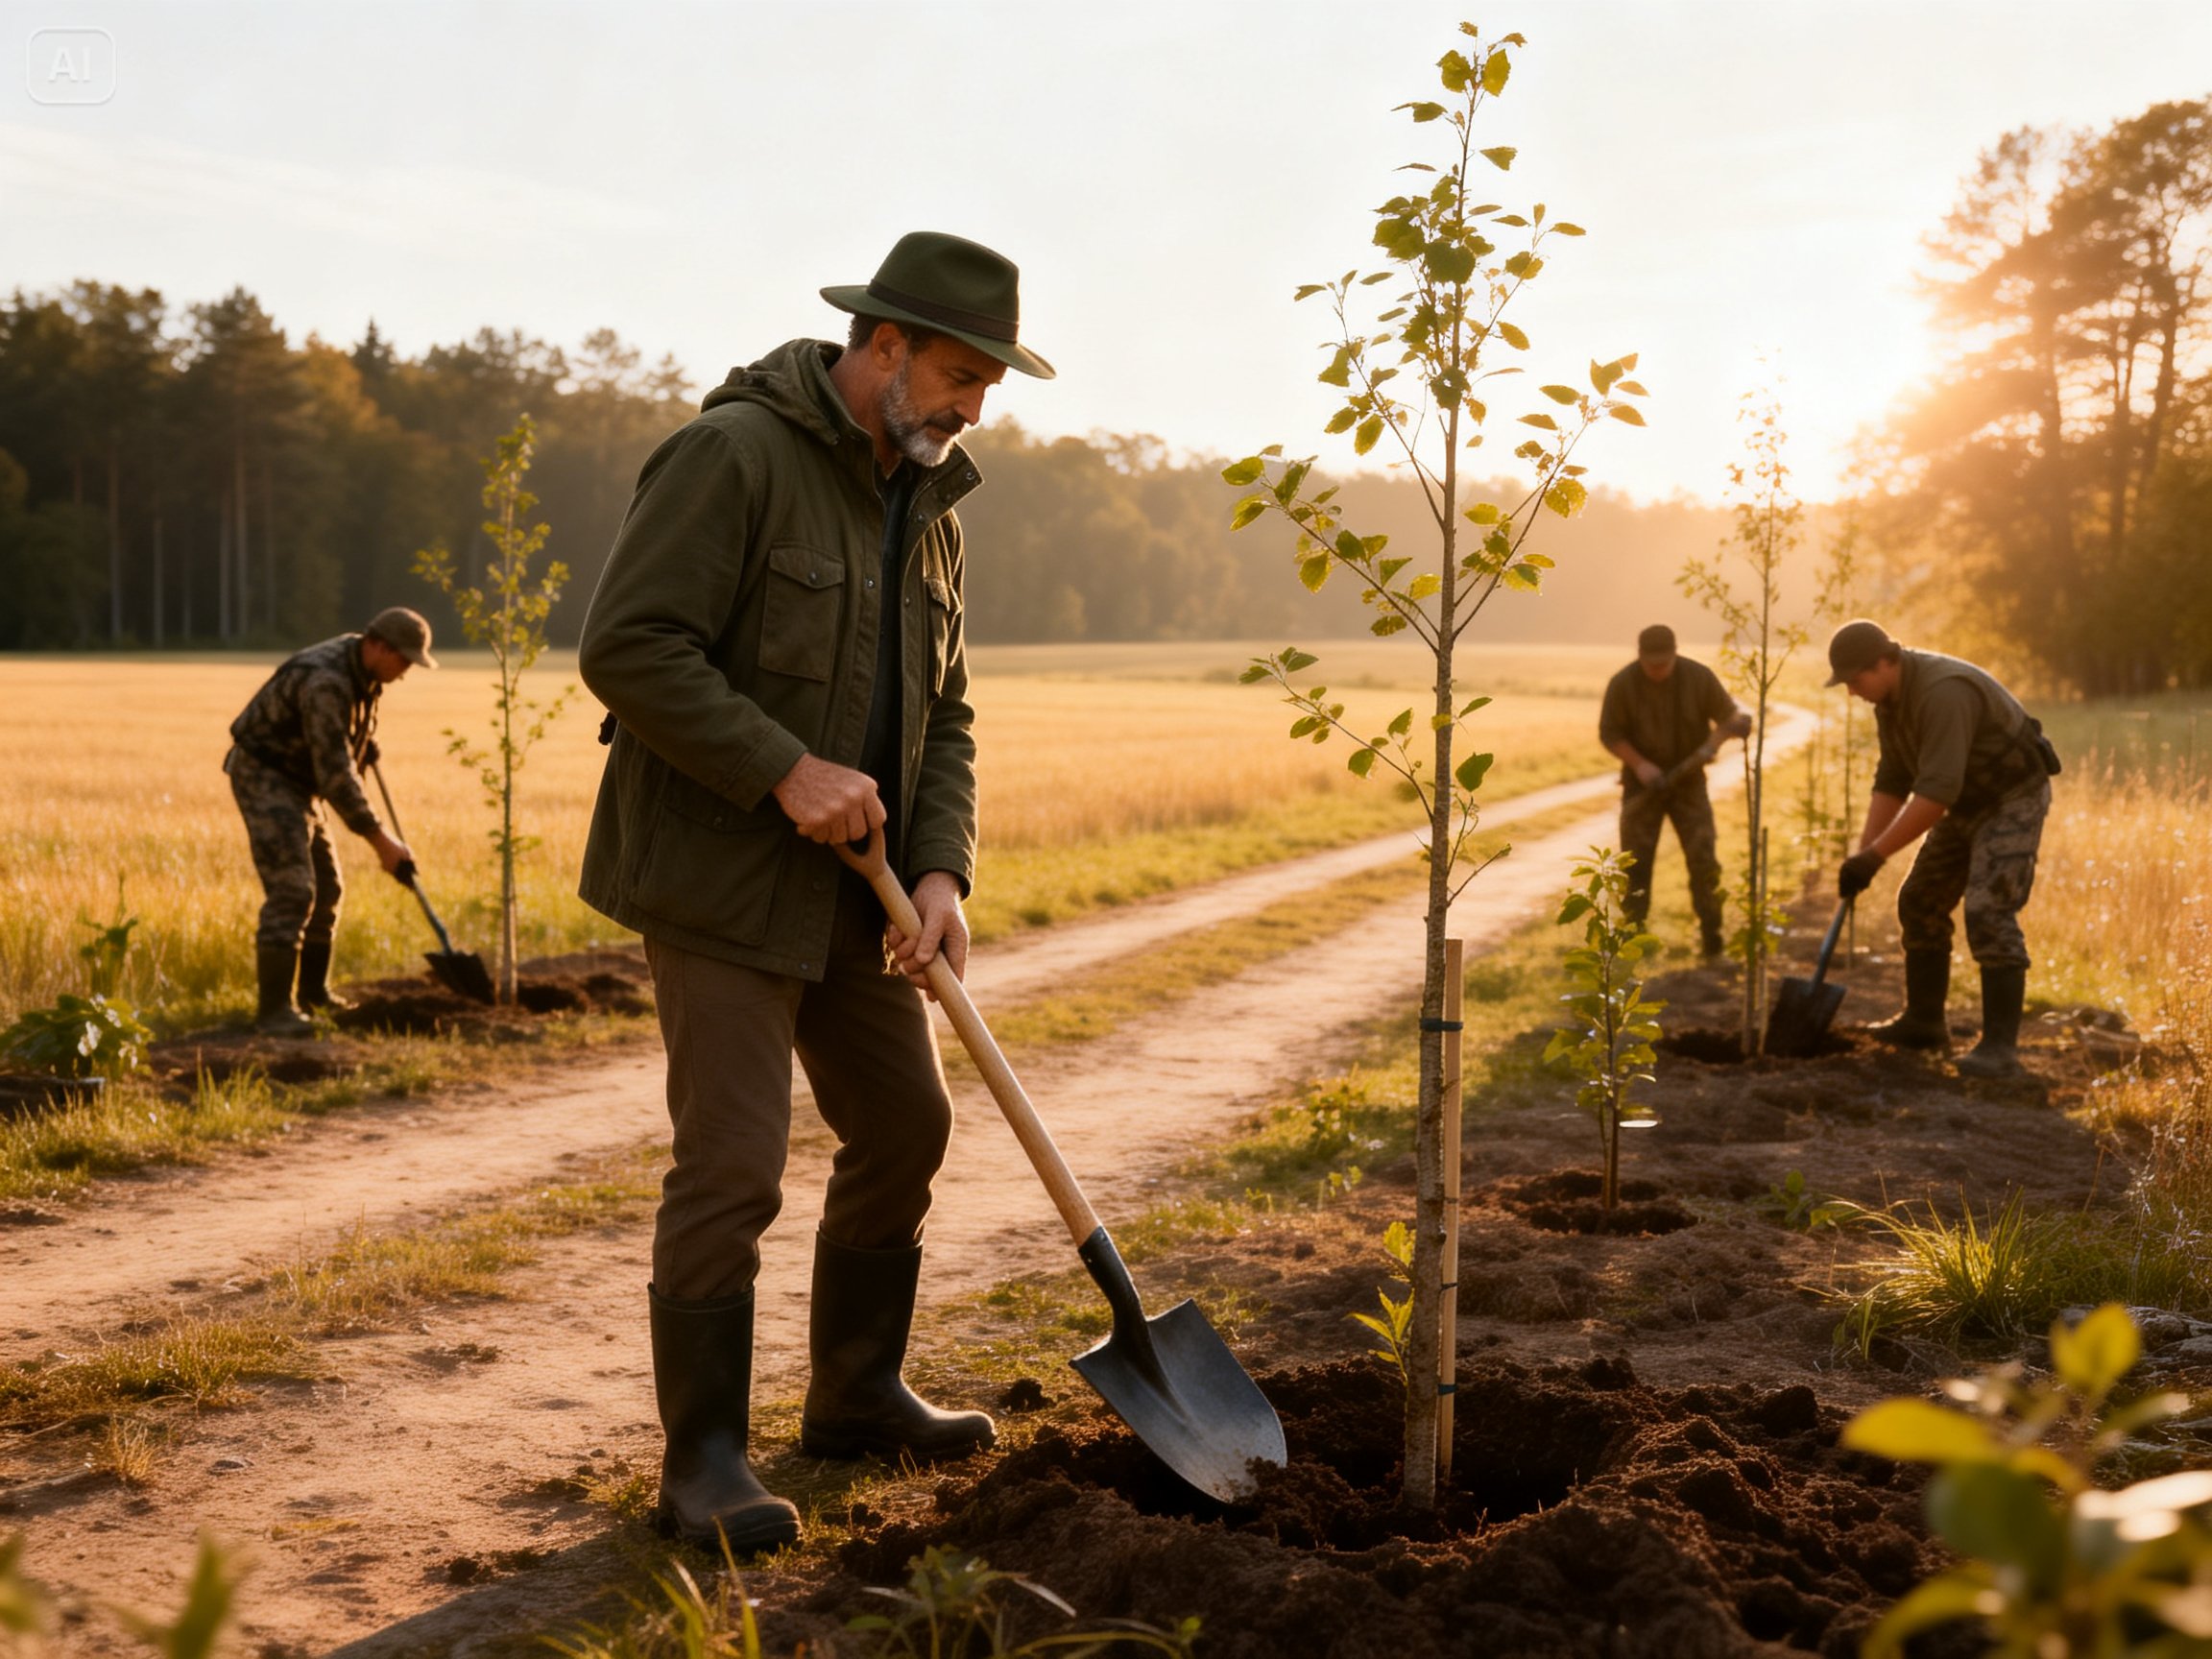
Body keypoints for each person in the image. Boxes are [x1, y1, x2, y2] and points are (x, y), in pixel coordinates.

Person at [575, 230, 1054, 1554]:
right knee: (733, 1164)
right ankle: (704, 1464)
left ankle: (853, 1395)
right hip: (720, 878)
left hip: (865, 894)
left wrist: (944, 869)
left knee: (907, 1122)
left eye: (990, 390)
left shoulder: (930, 504)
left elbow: (944, 712)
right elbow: (626, 649)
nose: (974, 409)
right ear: (882, 345)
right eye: (962, 375)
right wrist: (781, 767)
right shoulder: (731, 457)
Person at [1828, 619, 2058, 1080]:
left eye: (1856, 680)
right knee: (1920, 900)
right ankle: (1924, 1024)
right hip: (1967, 803)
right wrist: (1862, 854)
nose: (1852, 692)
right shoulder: (1888, 699)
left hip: (2010, 798)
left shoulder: (1943, 693)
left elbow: (1936, 793)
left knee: (1988, 910)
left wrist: (1876, 857)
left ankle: (1999, 1051)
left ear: (1885, 663)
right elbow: (1893, 778)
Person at [226, 608, 430, 1037]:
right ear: (377, 645)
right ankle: (273, 1013)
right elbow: (336, 776)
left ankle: (313, 995)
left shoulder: (362, 669)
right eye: (404, 660)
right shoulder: (327, 681)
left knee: (328, 887)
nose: (406, 671)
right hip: (267, 775)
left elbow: (340, 734)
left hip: (299, 781)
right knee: (294, 888)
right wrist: (383, 843)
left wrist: (362, 742)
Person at [1598, 624, 1755, 955]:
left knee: (1703, 860)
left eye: (1663, 664)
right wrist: (1640, 764)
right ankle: (1631, 944)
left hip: (1690, 785)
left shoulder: (1699, 677)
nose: (1657, 670)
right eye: (1651, 664)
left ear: (1675, 654)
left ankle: (1712, 939)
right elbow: (1609, 733)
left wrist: (1732, 729)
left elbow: (1731, 715)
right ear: (1639, 656)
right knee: (1635, 867)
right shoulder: (1622, 684)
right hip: (1641, 786)